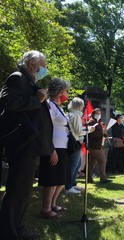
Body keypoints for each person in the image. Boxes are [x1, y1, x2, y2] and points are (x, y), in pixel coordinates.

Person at [0, 50, 53, 239]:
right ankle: (10, 232)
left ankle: (16, 228)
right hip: (22, 145)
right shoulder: (17, 77)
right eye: (43, 65)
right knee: (17, 190)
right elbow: (6, 101)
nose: (45, 69)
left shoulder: (30, 80)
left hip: (30, 145)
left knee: (22, 190)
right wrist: (36, 99)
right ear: (32, 63)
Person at [38, 77, 71, 220]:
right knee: (51, 180)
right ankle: (45, 209)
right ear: (59, 91)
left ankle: (53, 204)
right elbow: (45, 128)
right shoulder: (49, 105)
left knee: (60, 179)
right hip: (53, 148)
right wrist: (52, 150)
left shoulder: (58, 107)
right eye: (66, 91)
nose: (67, 94)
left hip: (62, 147)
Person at [65, 97, 86, 193]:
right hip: (75, 142)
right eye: (82, 105)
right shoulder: (76, 116)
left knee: (77, 165)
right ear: (80, 106)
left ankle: (73, 183)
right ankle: (68, 187)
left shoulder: (71, 114)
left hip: (74, 142)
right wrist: (89, 130)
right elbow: (78, 131)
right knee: (73, 166)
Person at [87, 108, 111, 183]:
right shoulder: (92, 122)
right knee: (103, 160)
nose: (99, 115)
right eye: (97, 113)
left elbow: (100, 133)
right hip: (94, 145)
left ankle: (89, 178)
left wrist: (105, 133)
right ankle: (103, 178)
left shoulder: (99, 122)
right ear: (93, 114)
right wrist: (101, 132)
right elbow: (90, 134)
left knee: (92, 162)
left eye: (99, 113)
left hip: (97, 145)